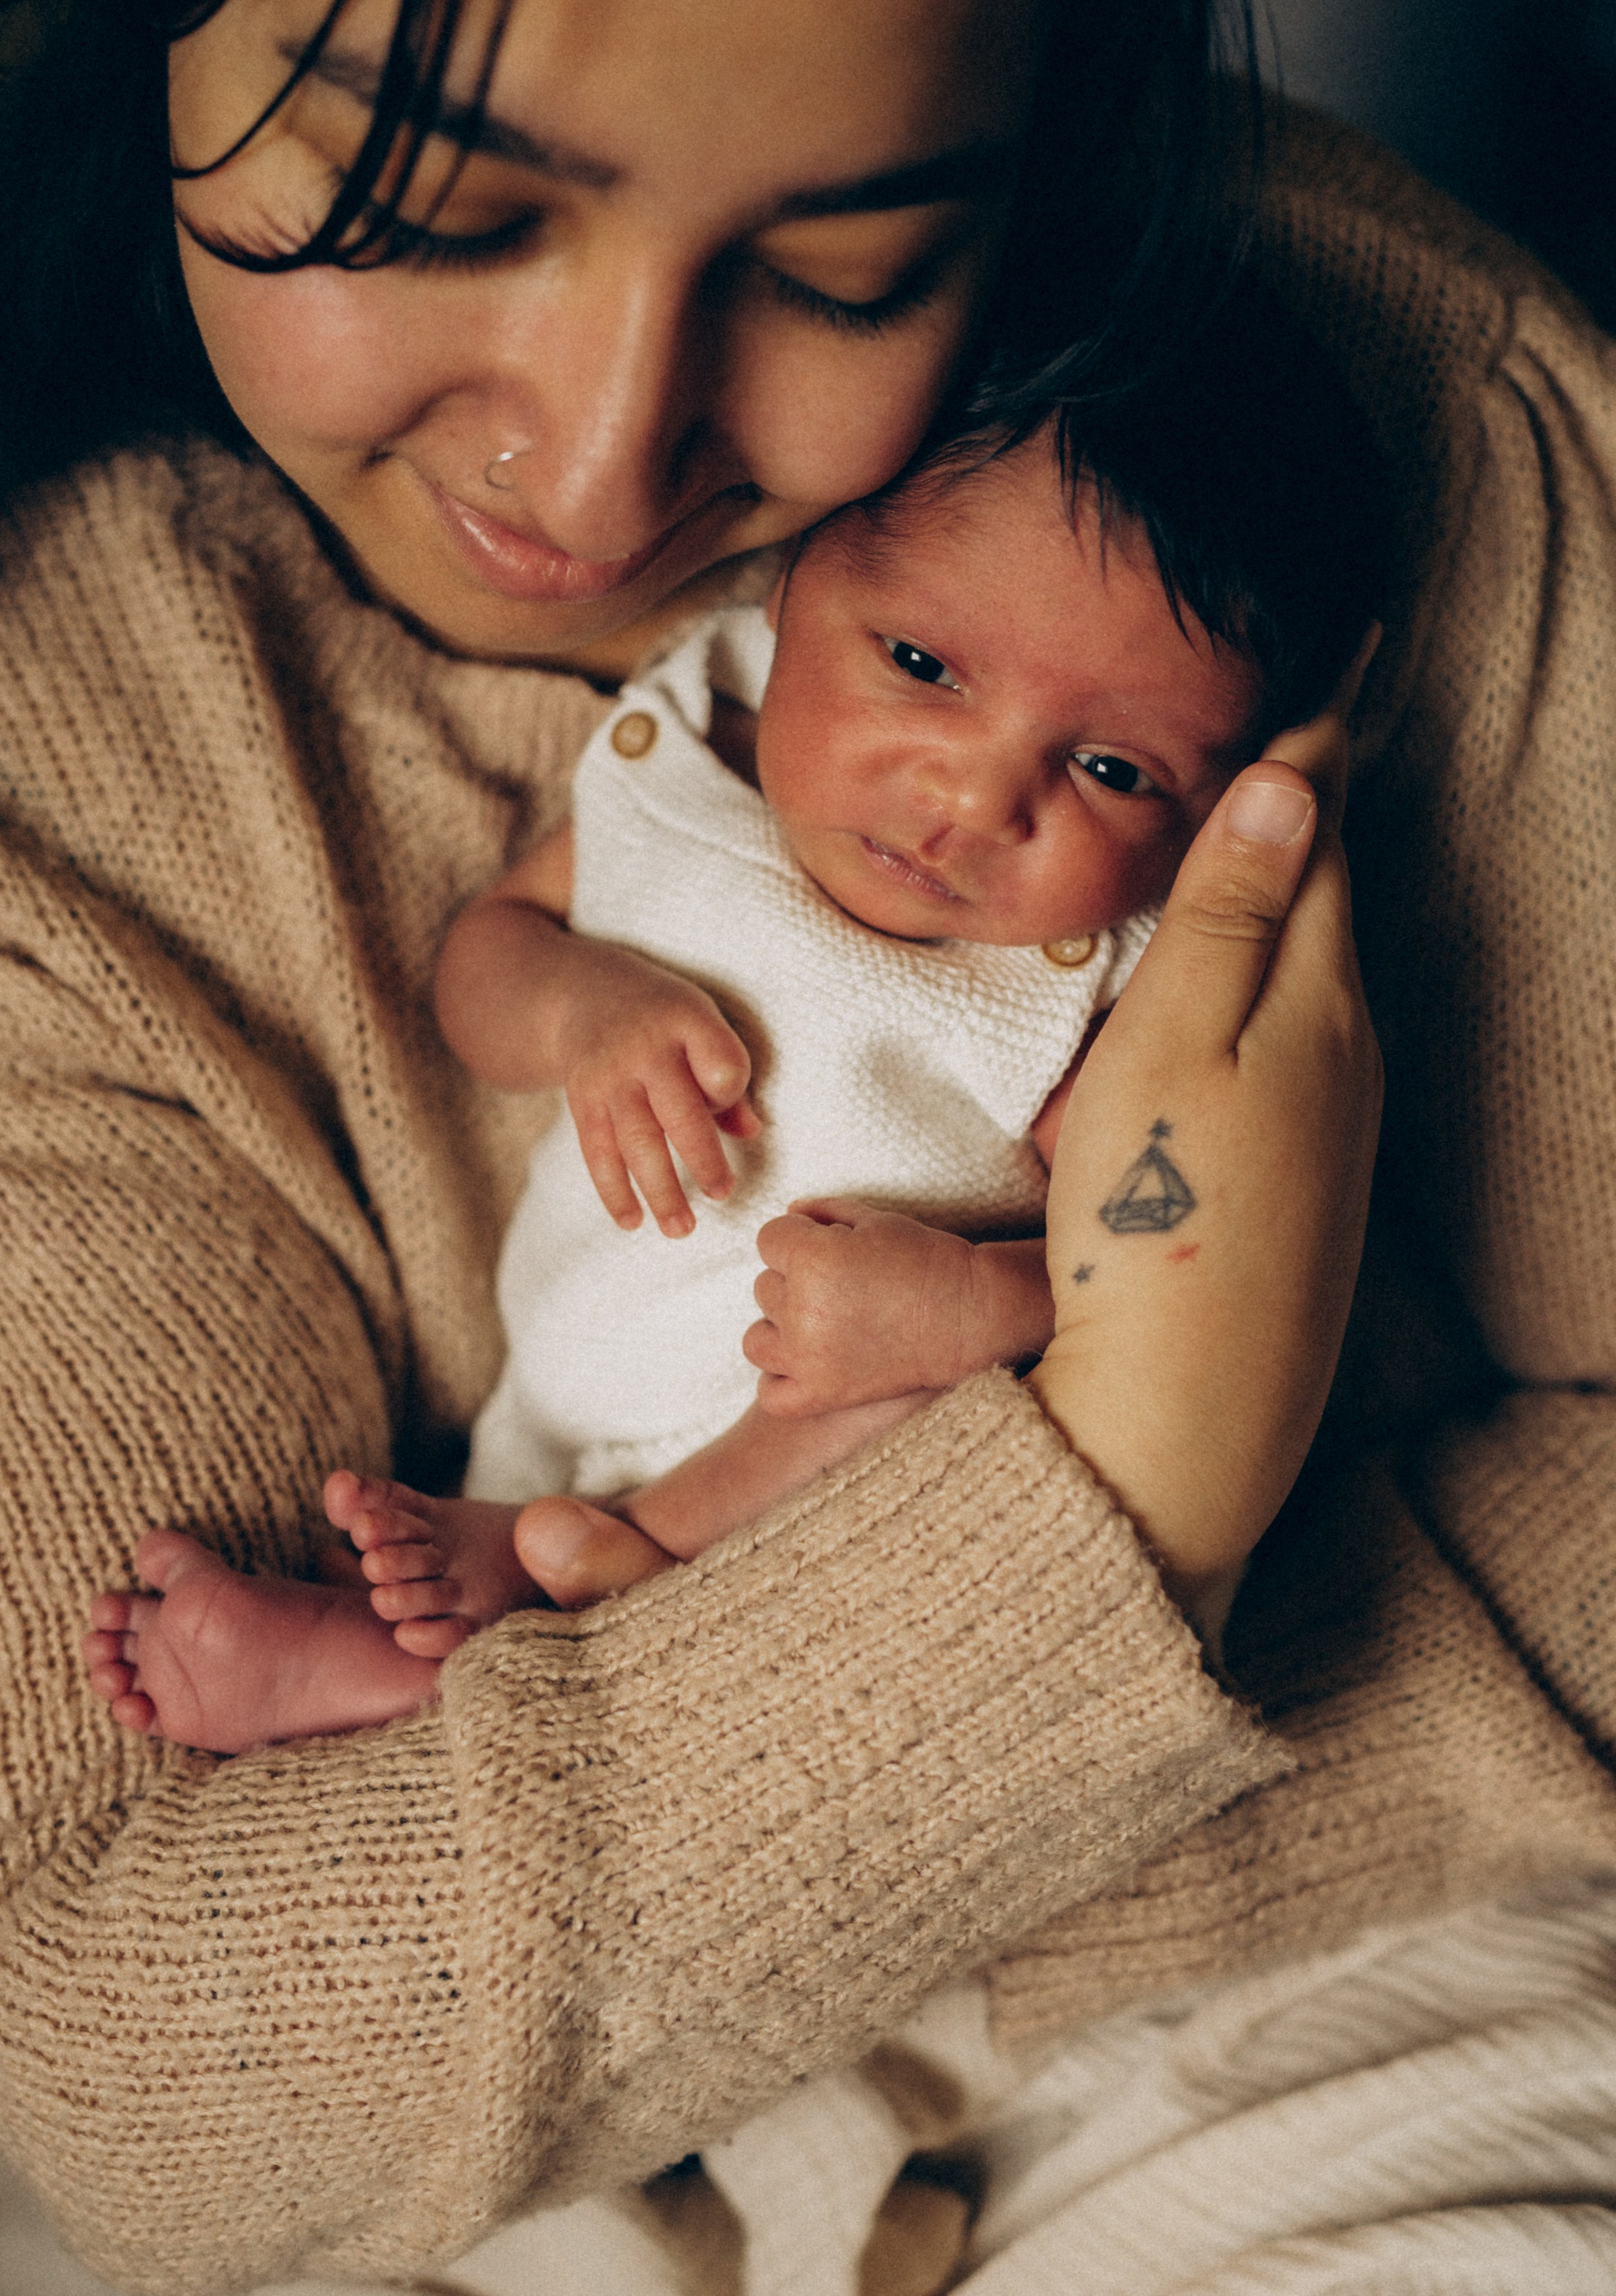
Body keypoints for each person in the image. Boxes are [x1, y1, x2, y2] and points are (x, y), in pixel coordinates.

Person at [0, 0, 1610, 2293]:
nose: (608, 466)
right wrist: (1152, 1475)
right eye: (429, 194)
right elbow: (163, 2043)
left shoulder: (1385, 446)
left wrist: (797, 1876)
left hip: (1350, 2016)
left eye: (851, 271)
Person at [81, 286, 1392, 1757]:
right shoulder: (690, 757)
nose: (967, 801)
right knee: (444, 1537)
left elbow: (1144, 1270)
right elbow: (483, 962)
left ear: (1216, 800)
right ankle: (421, 1624)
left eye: (1106, 768)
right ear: (785, 588)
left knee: (908, 1428)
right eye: (917, 666)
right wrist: (582, 1011)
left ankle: (501, 1613)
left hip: (812, 1453)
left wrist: (976, 1308)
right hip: (561, 1368)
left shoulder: (1097, 978)